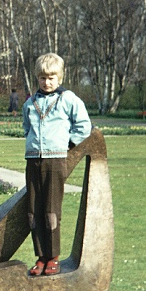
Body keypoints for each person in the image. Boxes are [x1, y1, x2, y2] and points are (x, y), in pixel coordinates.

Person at [22, 53, 91, 277]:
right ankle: (40, 256)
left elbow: (83, 125)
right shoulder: (30, 103)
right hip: (33, 160)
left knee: (51, 211)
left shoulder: (68, 99)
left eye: (51, 77)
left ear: (60, 77)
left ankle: (53, 257)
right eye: (42, 78)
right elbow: (26, 128)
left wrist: (68, 143)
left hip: (55, 160)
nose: (47, 82)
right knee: (33, 211)